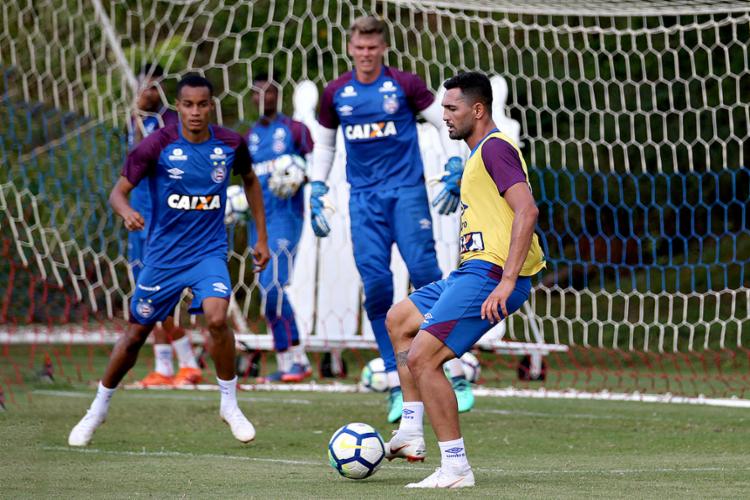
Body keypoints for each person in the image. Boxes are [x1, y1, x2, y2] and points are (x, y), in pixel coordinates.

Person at [68, 74, 270, 447]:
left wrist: (261, 237)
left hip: (208, 252)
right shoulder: (155, 145)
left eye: (202, 104)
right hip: (163, 257)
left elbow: (251, 181)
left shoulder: (229, 143)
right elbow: (118, 192)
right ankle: (97, 408)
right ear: (178, 107)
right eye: (188, 104)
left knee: (216, 317)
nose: (195, 112)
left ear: (212, 106)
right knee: (134, 336)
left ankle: (229, 403)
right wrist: (126, 211)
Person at [384, 71, 546, 488]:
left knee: (424, 358)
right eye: (442, 108)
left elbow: (527, 211)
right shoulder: (478, 155)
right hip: (471, 271)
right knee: (399, 319)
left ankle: (455, 467)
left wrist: (507, 281)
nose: (445, 116)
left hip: (490, 274)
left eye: (452, 109)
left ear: (478, 110)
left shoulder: (495, 149)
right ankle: (410, 430)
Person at [309, 15, 474, 423]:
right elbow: (326, 145)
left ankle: (452, 367)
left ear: (383, 48)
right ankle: (396, 377)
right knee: (378, 285)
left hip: (406, 194)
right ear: (350, 48)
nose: (365, 54)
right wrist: (316, 188)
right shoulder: (336, 93)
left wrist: (454, 167)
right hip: (363, 200)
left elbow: (443, 123)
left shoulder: (404, 84)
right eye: (359, 47)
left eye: (372, 47)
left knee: (426, 274)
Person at [127, 63, 203, 388]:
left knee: (162, 294)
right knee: (144, 296)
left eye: (152, 87)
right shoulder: (134, 122)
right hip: (138, 219)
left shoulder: (170, 123)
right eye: (142, 86)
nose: (146, 92)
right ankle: (167, 367)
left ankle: (186, 363)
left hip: (163, 222)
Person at [246, 74, 314, 382]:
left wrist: (300, 174)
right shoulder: (247, 138)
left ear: (278, 95)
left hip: (287, 217)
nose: (264, 97)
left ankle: (296, 358)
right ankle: (289, 363)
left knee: (275, 286)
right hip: (257, 221)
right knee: (266, 290)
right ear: (251, 98)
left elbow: (315, 164)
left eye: (269, 91)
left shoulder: (294, 130)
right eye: (257, 92)